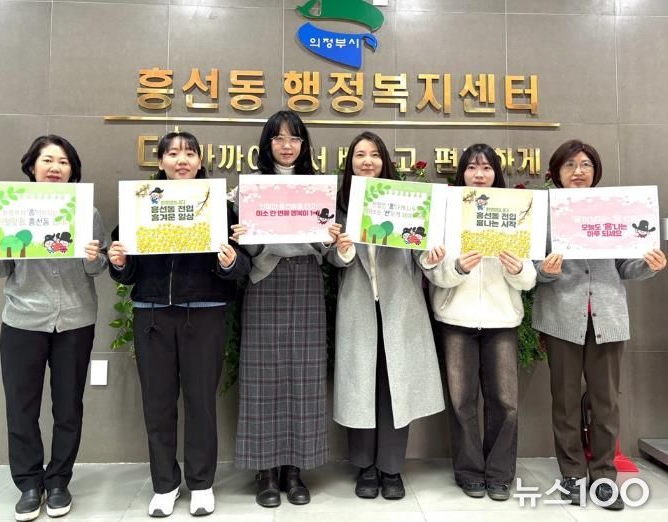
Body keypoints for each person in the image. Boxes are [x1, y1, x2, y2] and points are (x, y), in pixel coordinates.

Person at [107, 131, 250, 518]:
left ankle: (201, 484)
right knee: (157, 404)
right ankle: (165, 485)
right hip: (152, 312)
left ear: (201, 161)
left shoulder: (219, 207)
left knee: (201, 402)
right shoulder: (140, 203)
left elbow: (242, 264)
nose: (181, 160)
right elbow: (126, 268)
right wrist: (118, 262)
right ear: (161, 162)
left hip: (204, 311)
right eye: (172, 153)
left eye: (189, 153)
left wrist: (229, 262)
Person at [0, 135, 107, 521]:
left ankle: (59, 481)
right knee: (21, 407)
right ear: (31, 166)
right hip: (23, 320)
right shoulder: (9, 210)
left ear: (72, 171)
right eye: (47, 160)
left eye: (63, 162)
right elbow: (1, 268)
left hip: (75, 320)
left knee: (68, 406)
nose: (55, 168)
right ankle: (29, 484)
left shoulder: (87, 212)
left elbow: (98, 268)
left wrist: (94, 257)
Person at [532, 139, 666, 510]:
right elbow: (530, 267)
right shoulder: (542, 213)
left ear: (596, 171)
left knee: (605, 403)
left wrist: (649, 265)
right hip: (561, 316)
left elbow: (627, 266)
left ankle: (604, 477)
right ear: (556, 173)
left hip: (607, 316)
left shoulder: (615, 210)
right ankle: (572, 475)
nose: (578, 171)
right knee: (564, 402)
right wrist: (545, 271)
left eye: (586, 164)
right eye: (570, 165)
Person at [230, 110, 341, 508]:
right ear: (267, 144)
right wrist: (244, 236)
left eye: (294, 138)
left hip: (307, 281)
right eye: (278, 138)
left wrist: (329, 240)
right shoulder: (249, 189)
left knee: (304, 377)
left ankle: (295, 470)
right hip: (265, 281)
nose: (287, 145)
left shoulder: (318, 187)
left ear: (304, 144)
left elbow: (326, 250)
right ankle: (265, 471)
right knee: (262, 377)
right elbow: (245, 249)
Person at [327, 131, 446, 500]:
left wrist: (431, 256)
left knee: (395, 388)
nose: (367, 161)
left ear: (385, 162)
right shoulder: (339, 205)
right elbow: (331, 259)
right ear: (350, 162)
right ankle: (365, 466)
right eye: (360, 155)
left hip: (400, 308)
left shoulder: (405, 200)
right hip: (358, 306)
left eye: (375, 155)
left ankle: (392, 468)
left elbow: (420, 253)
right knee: (360, 387)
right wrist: (342, 250)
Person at [422, 143, 536, 501]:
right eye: (472, 167)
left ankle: (500, 474)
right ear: (462, 173)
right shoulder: (446, 213)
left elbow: (529, 279)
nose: (479, 174)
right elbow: (432, 271)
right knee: (461, 402)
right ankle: (469, 472)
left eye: (486, 168)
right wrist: (456, 267)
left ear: (496, 173)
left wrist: (518, 269)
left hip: (502, 320)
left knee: (505, 402)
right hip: (456, 318)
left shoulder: (515, 211)